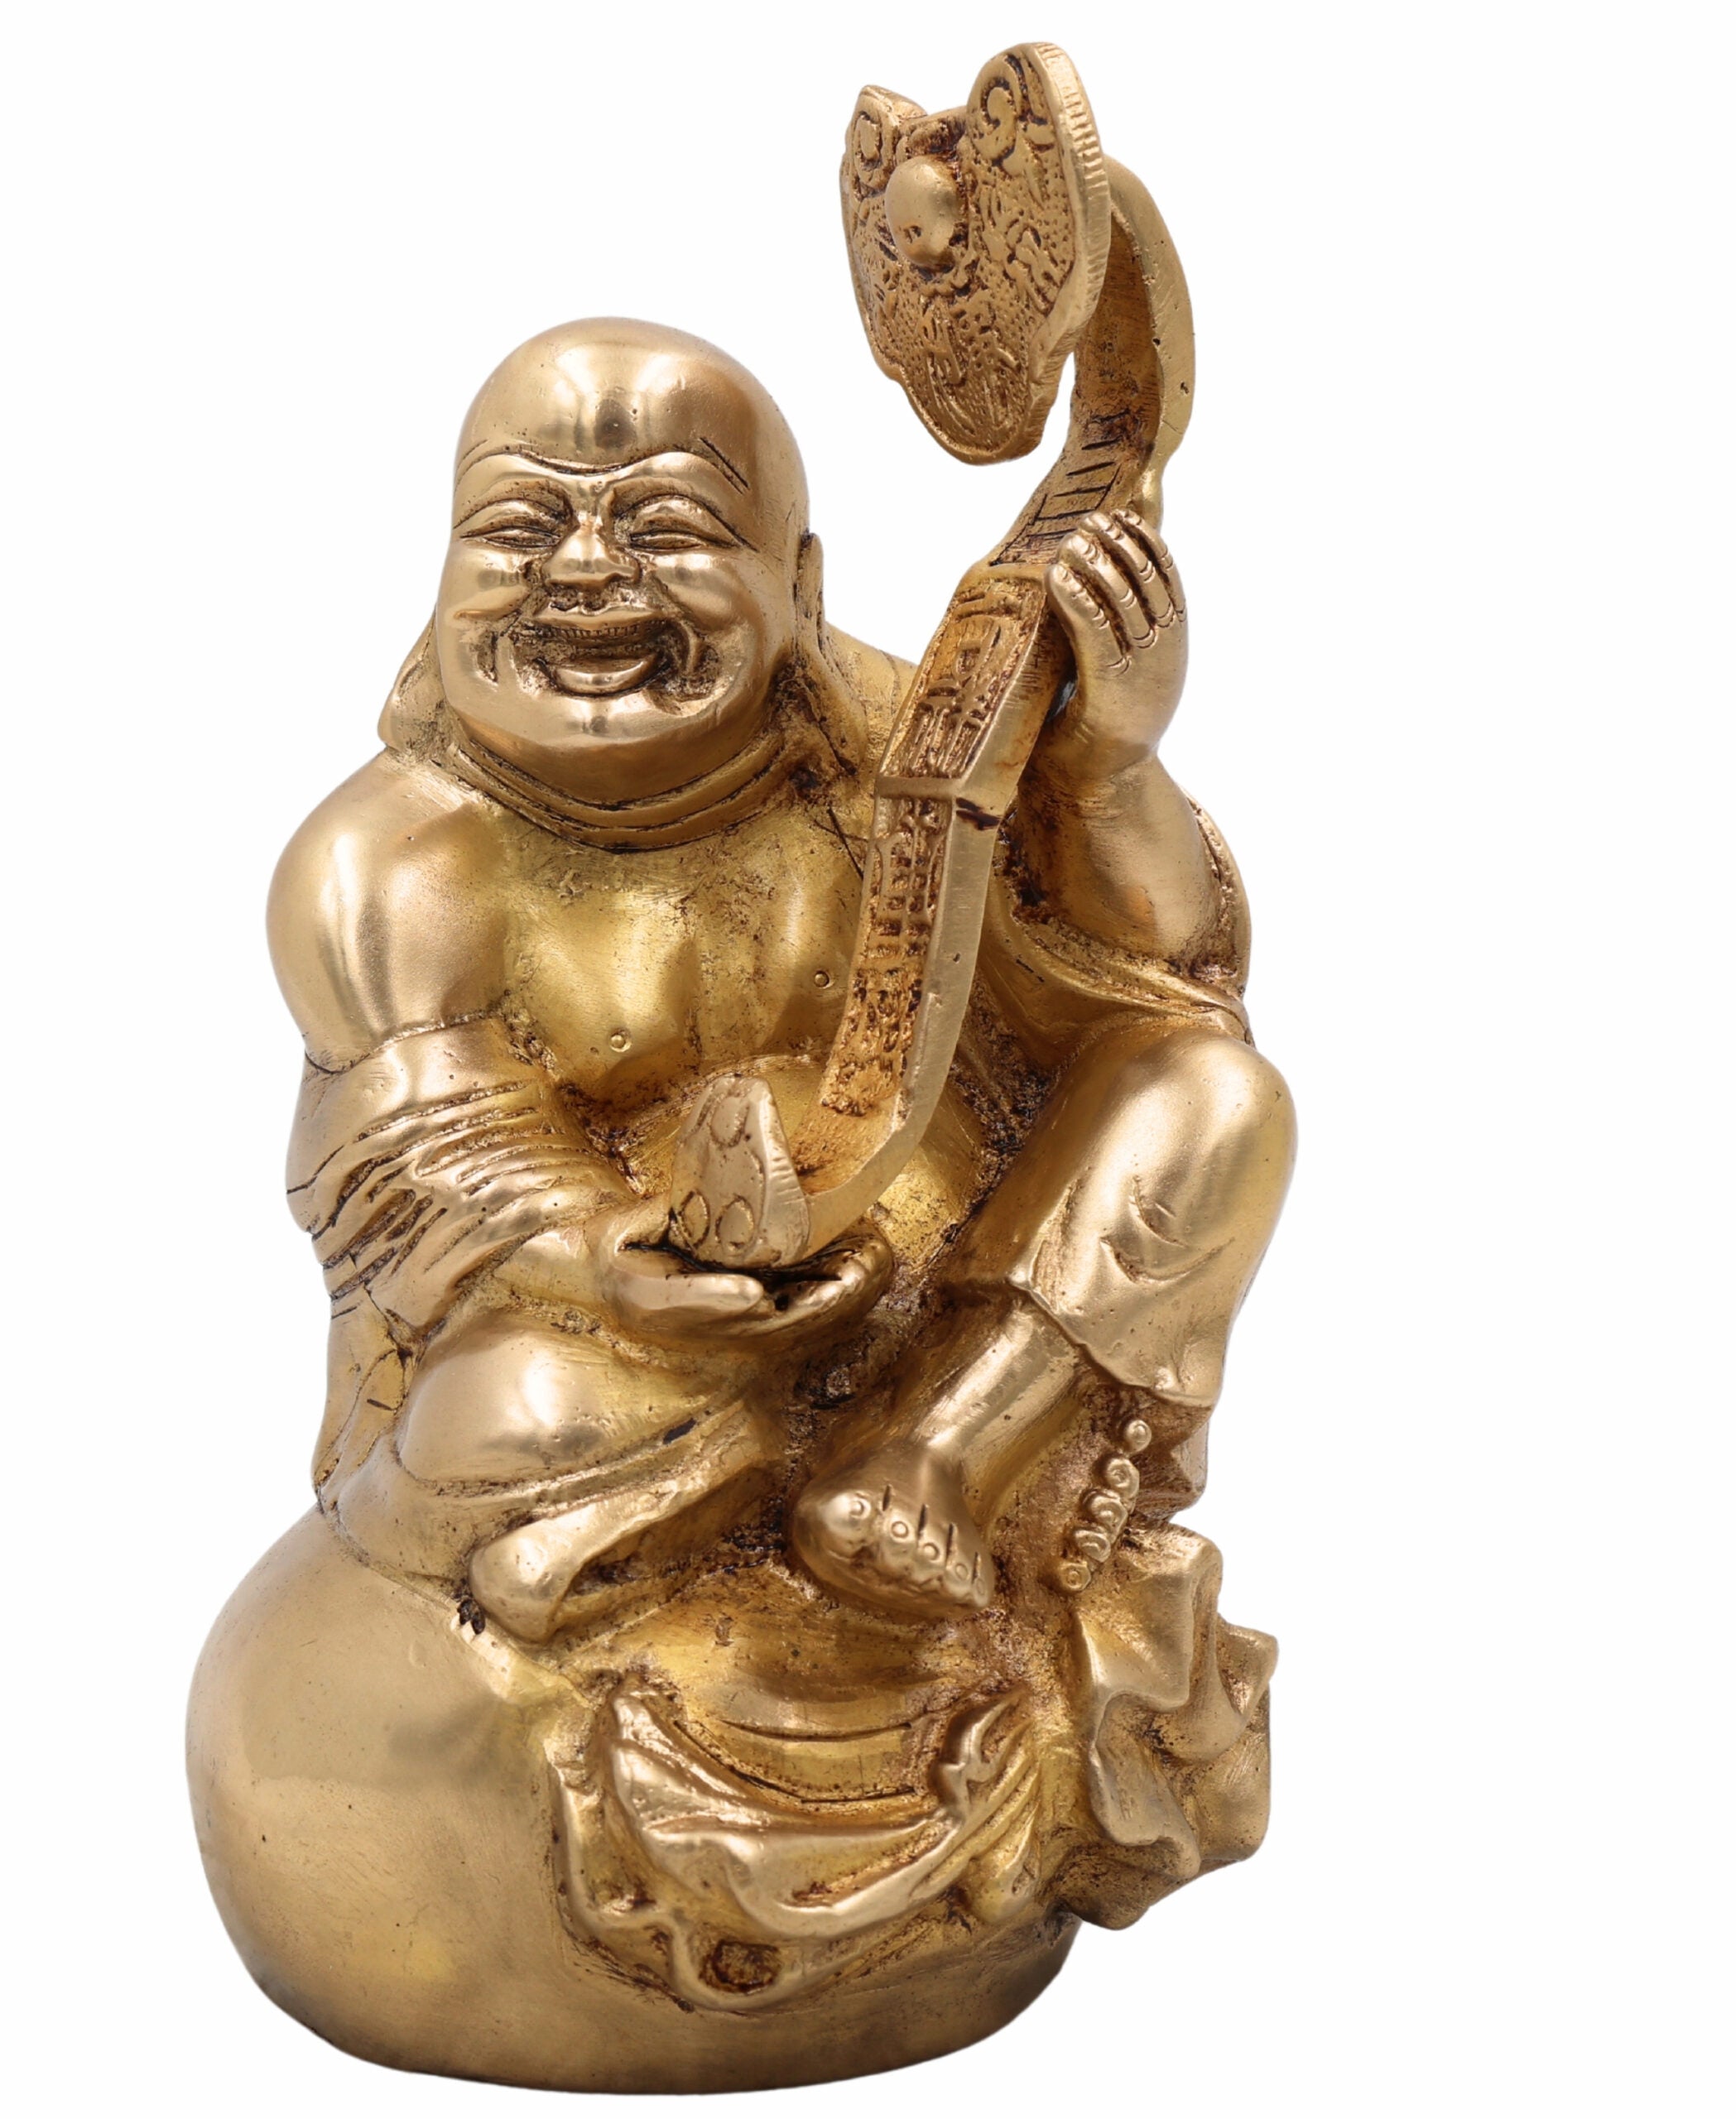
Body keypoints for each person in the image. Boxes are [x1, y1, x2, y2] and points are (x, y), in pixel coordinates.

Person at [267, 317, 1293, 1641]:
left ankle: (945, 1456)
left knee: (1216, 1102)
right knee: (510, 1415)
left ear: (799, 586)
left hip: (956, 1301)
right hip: (630, 1332)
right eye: (522, 528)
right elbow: (423, 1155)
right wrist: (607, 1261)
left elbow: (1142, 981)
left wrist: (1107, 768)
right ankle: (742, 1494)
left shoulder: (900, 749)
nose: (585, 570)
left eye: (666, 527)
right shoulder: (389, 858)